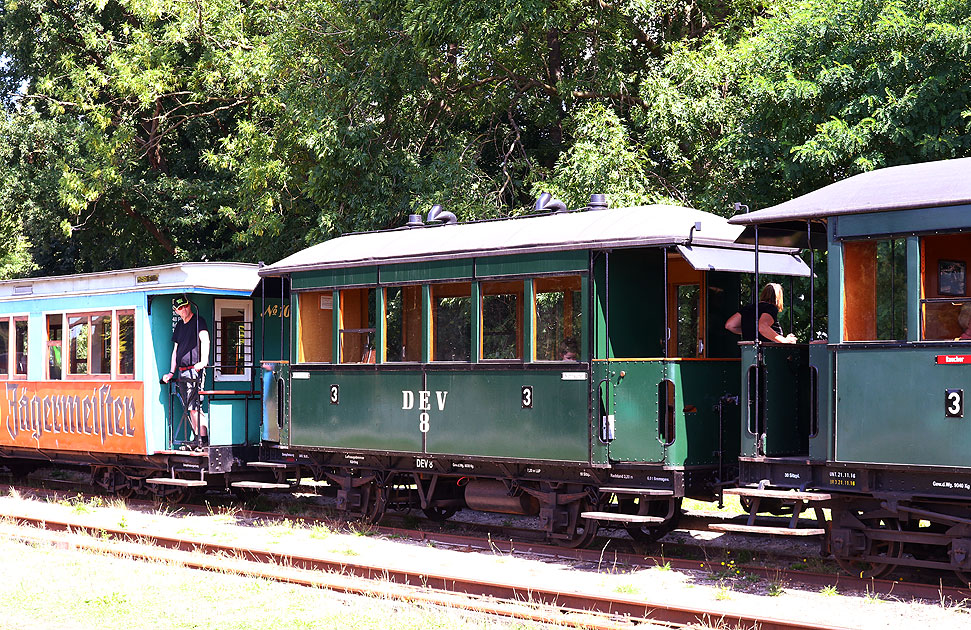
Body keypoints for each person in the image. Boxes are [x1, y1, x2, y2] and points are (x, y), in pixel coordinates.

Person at [162, 295, 210, 448]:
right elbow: (175, 351)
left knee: (195, 406)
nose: (185, 309)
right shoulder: (180, 326)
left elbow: (205, 340)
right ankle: (197, 440)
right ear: (177, 311)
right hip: (182, 372)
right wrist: (171, 372)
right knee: (190, 408)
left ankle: (204, 440)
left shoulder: (198, 321)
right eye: (181, 308)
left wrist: (203, 362)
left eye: (186, 306)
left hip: (194, 371)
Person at [725, 283, 797, 344]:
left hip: (749, 351)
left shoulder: (749, 308)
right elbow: (762, 327)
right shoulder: (770, 308)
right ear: (778, 297)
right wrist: (784, 341)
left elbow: (730, 325)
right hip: (767, 353)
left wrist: (750, 330)